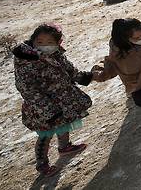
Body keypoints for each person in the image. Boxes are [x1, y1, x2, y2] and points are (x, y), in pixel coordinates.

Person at [13, 23, 93, 177]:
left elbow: (70, 71)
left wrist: (85, 77)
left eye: (50, 43)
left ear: (57, 43)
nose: (44, 46)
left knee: (64, 124)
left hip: (62, 99)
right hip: (41, 106)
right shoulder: (26, 61)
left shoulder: (56, 54)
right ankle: (42, 163)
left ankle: (64, 147)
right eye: (40, 42)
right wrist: (46, 109)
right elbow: (27, 89)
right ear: (33, 40)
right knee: (45, 134)